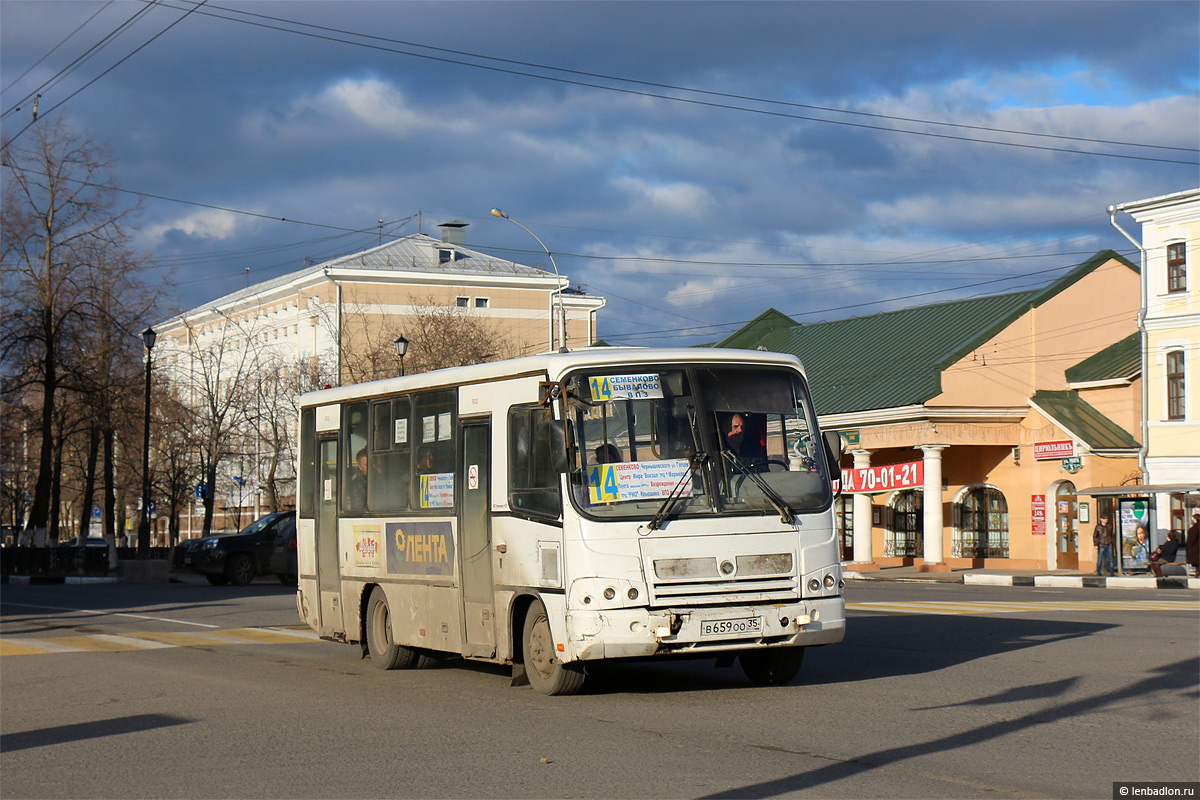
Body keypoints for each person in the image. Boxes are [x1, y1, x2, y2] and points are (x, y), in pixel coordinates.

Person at [1186, 510, 1200, 574]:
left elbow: (1191, 540)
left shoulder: (1194, 528)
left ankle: (1198, 573)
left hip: (1195, 550)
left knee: (1197, 563)